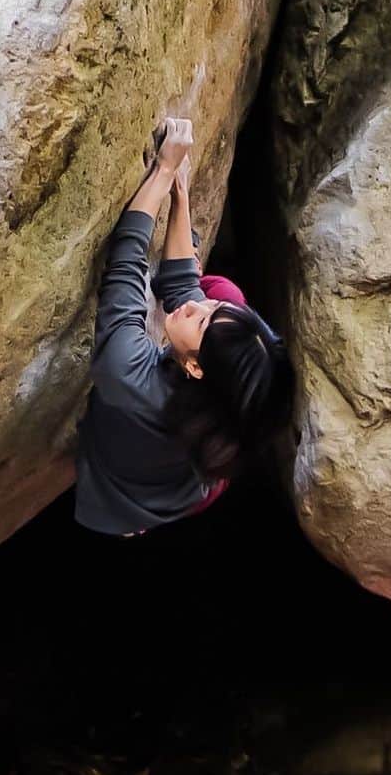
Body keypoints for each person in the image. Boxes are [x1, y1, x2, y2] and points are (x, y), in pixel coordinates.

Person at [74, 118, 294, 536]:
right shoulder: (225, 397)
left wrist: (163, 170)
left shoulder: (127, 374)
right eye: (209, 309)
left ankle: (131, 524)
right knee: (226, 292)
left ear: (195, 367)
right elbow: (183, 289)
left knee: (217, 298)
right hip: (205, 454)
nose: (196, 306)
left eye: (202, 320)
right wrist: (181, 191)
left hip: (136, 494)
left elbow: (126, 262)